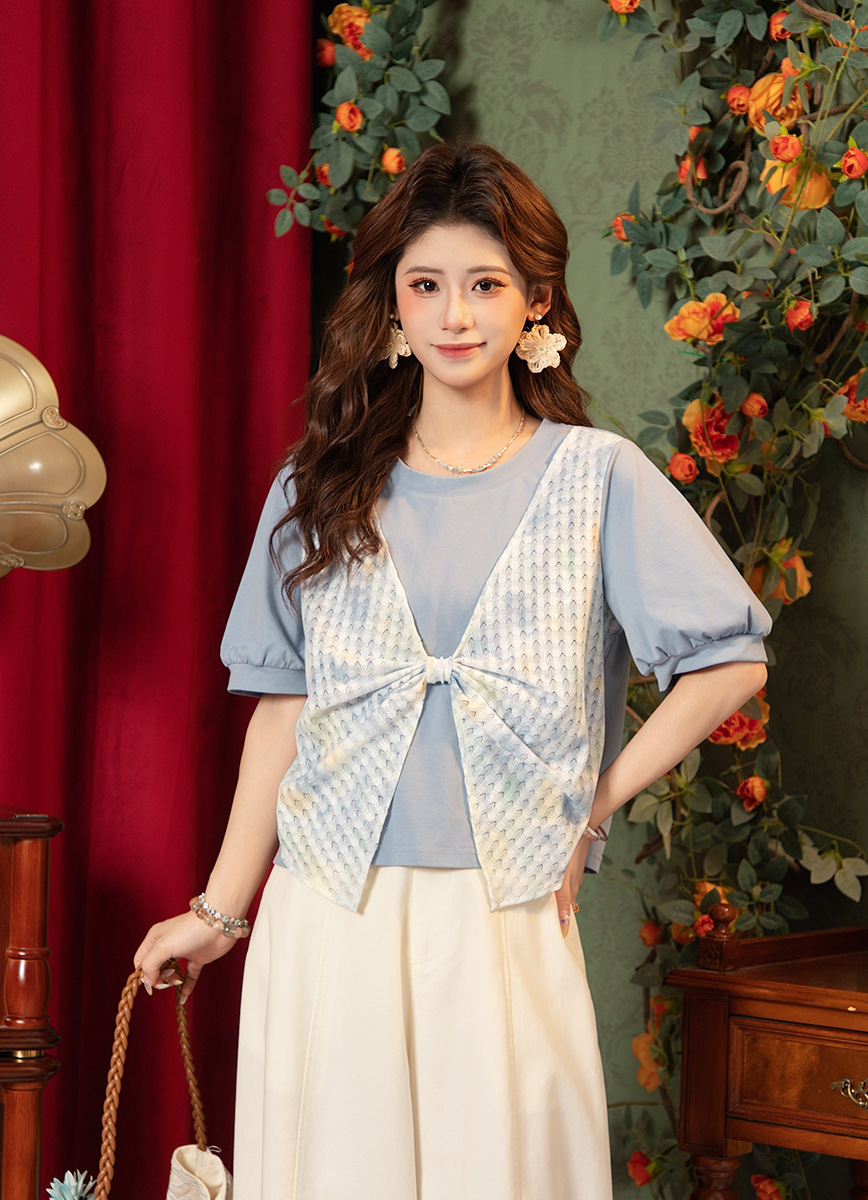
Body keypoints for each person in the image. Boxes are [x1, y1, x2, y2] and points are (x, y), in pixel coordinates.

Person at [136, 142, 770, 1200]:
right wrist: (221, 910)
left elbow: (729, 665)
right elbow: (282, 717)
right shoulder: (316, 486)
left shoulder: (596, 477)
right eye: (426, 285)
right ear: (392, 302)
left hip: (501, 914)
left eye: (485, 285)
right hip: (326, 914)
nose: (455, 315)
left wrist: (590, 809)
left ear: (535, 301)